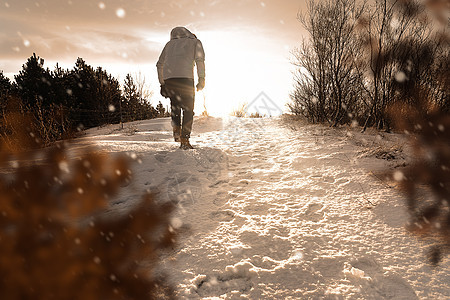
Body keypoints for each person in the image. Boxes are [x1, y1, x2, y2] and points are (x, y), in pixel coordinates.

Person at [157, 26, 206, 150]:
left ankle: (176, 129)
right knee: (188, 110)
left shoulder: (169, 45)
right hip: (186, 79)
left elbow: (159, 64)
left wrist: (162, 83)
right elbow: (200, 61)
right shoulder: (196, 42)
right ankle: (184, 140)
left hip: (170, 80)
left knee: (175, 106)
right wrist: (201, 79)